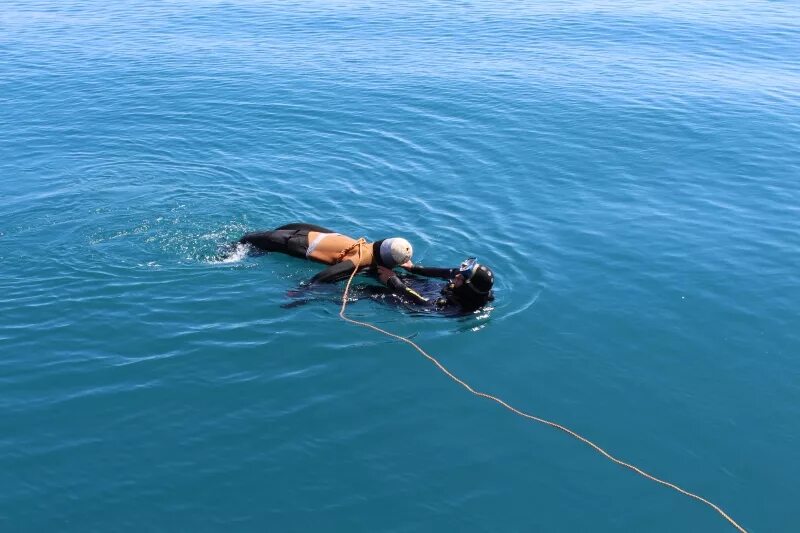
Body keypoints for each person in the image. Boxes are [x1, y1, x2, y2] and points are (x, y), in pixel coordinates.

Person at [236, 223, 413, 284]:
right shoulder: (362, 258)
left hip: (300, 233)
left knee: (248, 240)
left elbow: (323, 231)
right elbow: (329, 274)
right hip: (292, 243)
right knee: (243, 243)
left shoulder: (365, 245)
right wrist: (304, 291)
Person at [376, 256, 495, 313]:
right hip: (436, 290)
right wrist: (413, 268)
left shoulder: (455, 307)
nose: (457, 276)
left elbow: (423, 302)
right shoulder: (469, 284)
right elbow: (448, 272)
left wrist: (393, 280)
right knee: (394, 273)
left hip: (422, 303)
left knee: (376, 291)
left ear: (467, 287)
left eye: (461, 278)